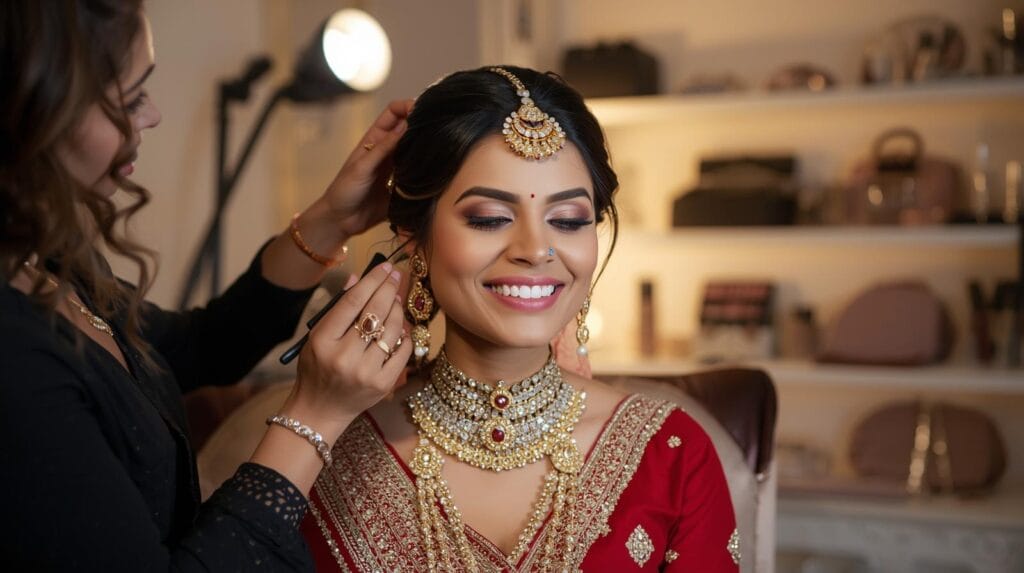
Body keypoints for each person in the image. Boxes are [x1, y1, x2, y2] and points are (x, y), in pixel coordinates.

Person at [1, 1, 413, 570]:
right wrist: (315, 415)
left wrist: (330, 220)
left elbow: (199, 346)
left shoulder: (43, 259)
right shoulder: (14, 360)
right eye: (131, 97)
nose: (153, 115)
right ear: (33, 112)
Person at [299, 66, 741, 572]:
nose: (536, 249)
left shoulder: (670, 452)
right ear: (414, 238)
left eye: (568, 221)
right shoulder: (326, 451)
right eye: (489, 218)